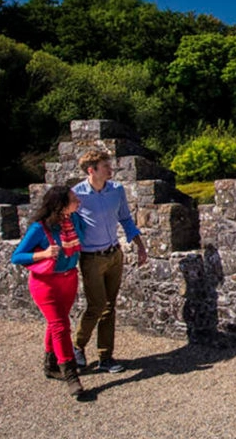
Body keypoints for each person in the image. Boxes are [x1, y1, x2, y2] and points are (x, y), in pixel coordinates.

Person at [72, 149, 148, 374]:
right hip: (91, 258)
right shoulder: (76, 195)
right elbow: (69, 226)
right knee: (96, 306)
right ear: (91, 170)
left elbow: (125, 218)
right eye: (106, 166)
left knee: (109, 307)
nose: (111, 169)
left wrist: (140, 245)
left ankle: (106, 357)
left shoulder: (116, 190)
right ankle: (77, 346)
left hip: (114, 255)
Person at [11, 185, 85, 397]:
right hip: (46, 283)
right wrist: (42, 254)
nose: (77, 201)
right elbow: (17, 256)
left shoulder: (74, 221)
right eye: (73, 199)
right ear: (60, 204)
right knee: (61, 326)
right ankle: (71, 375)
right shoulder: (39, 228)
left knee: (56, 324)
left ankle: (50, 364)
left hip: (68, 279)